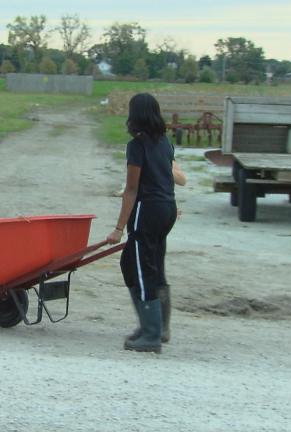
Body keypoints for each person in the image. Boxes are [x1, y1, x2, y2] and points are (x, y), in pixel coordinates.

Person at [106, 93, 186, 353]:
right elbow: (166, 178)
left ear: (134, 115)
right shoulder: (165, 143)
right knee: (138, 263)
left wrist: (119, 229)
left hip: (147, 211)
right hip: (167, 209)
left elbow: (132, 189)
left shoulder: (136, 146)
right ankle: (156, 326)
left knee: (142, 270)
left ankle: (151, 335)